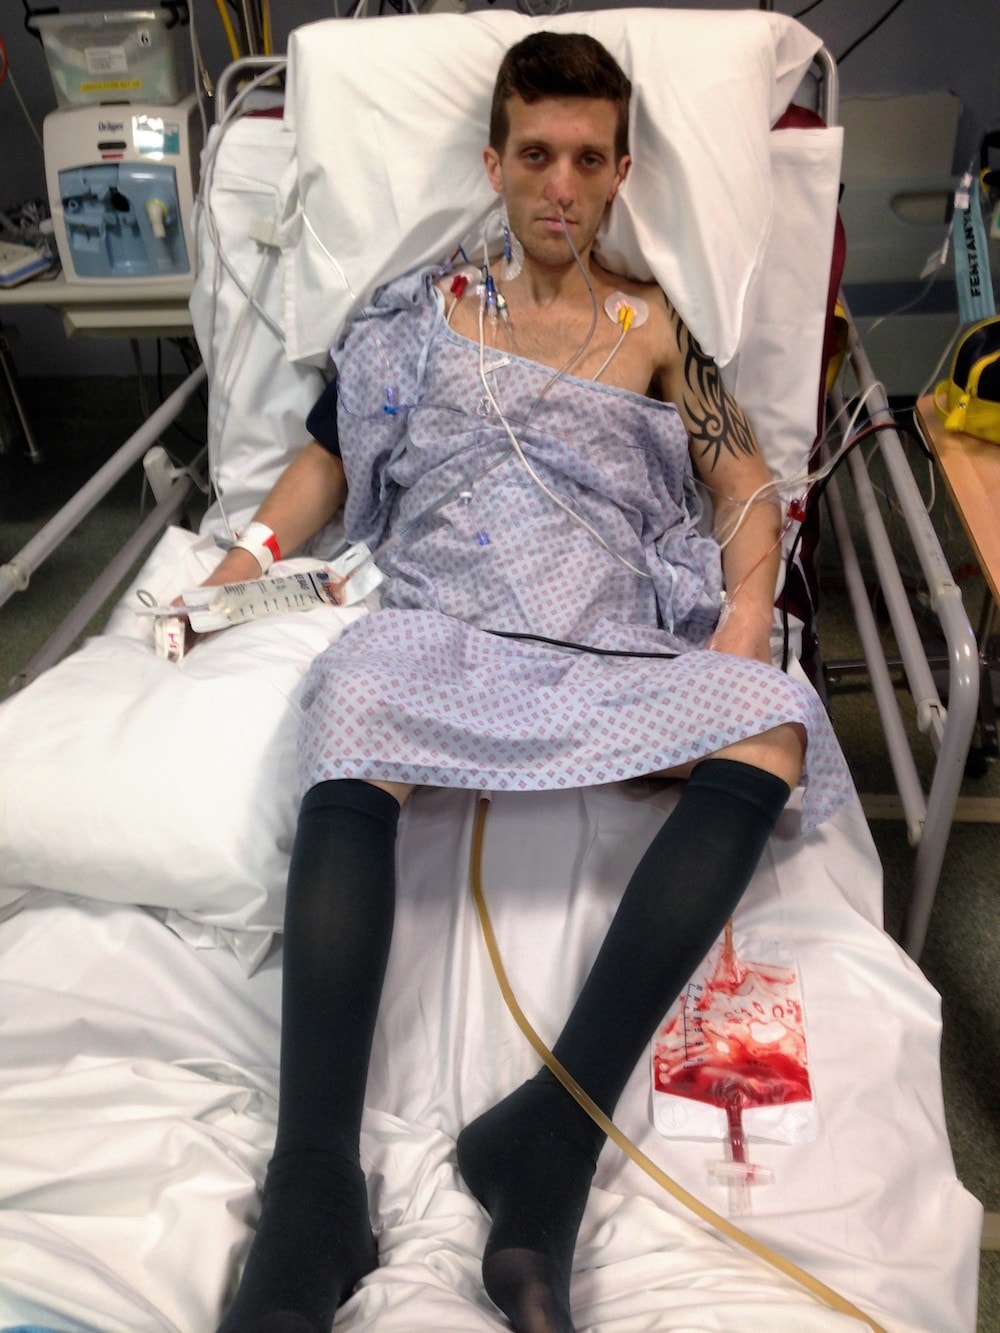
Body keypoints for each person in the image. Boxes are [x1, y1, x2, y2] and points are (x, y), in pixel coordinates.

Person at [211, 31, 849, 1333]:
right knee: (350, 706)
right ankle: (314, 1180)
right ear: (495, 162)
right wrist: (245, 560)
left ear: (621, 174)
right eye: (537, 155)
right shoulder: (419, 320)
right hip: (441, 620)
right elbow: (331, 458)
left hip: (603, 631)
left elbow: (743, 483)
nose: (561, 187)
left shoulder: (657, 328)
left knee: (774, 720)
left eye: (588, 161)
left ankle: (552, 1130)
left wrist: (743, 615)